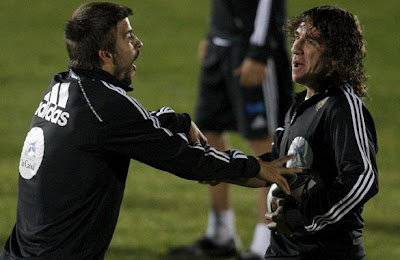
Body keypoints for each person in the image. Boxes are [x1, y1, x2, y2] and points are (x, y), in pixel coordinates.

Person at [0, 2, 303, 260]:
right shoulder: (106, 106)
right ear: (105, 54)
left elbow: (132, 126)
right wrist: (256, 167)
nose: (139, 43)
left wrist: (180, 122)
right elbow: (186, 159)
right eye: (128, 37)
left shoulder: (66, 86)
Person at [168, 0, 292, 259]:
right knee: (207, 135)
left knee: (266, 144)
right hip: (221, 45)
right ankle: (221, 234)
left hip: (253, 48)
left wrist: (259, 52)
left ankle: (265, 243)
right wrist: (214, 32)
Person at [264, 6, 379, 259]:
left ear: (336, 57)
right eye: (297, 37)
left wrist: (304, 219)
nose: (296, 47)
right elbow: (275, 166)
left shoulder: (342, 106)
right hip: (282, 250)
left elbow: (362, 178)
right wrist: (224, 166)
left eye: (311, 40)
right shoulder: (297, 106)